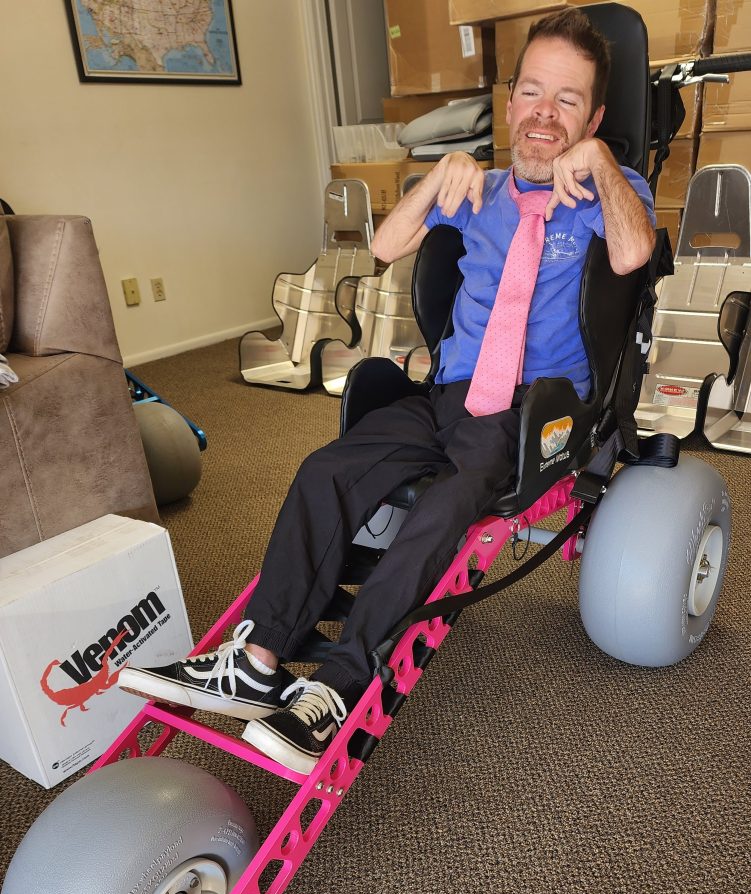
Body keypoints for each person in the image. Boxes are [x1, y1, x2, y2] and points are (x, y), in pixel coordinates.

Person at [119, 9, 656, 775]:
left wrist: (602, 163)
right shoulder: (483, 189)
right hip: (447, 391)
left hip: (530, 410)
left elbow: (635, 253)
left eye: (567, 100)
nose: (544, 113)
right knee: (327, 468)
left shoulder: (612, 187)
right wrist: (440, 175)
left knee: (443, 507)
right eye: (531, 92)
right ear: (508, 103)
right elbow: (383, 245)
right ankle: (259, 656)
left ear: (595, 118)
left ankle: (338, 685)